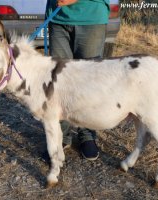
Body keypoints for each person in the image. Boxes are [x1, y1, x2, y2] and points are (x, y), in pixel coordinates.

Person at [45, 0, 110, 160]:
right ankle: (60, 135)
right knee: (60, 80)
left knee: (87, 81)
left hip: (91, 17)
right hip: (58, 17)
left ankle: (87, 134)